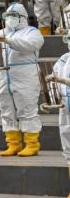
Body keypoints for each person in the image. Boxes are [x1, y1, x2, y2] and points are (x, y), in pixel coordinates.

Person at [0, 3, 44, 157]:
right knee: (6, 109)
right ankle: (13, 144)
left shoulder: (32, 32)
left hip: (25, 74)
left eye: (14, 15)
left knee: (27, 109)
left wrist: (10, 41)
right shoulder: (0, 33)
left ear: (22, 17)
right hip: (2, 75)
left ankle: (31, 143)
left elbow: (30, 45)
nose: (10, 19)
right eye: (8, 15)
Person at [47, 31, 70, 198]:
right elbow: (53, 81)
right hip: (66, 110)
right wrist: (51, 98)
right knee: (69, 150)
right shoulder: (64, 59)